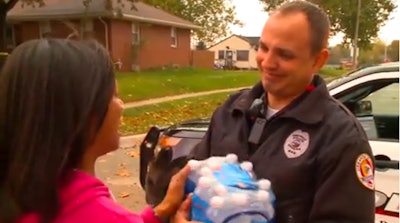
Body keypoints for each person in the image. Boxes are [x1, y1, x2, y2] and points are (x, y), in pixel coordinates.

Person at [190, 1, 375, 222]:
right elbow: (194, 182)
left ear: (318, 60)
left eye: (284, 55)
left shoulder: (341, 137)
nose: (267, 62)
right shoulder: (232, 111)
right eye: (264, 48)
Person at [0, 39, 193, 223]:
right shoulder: (99, 214)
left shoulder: (29, 194)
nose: (121, 105)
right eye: (114, 96)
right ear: (85, 113)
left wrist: (161, 210)